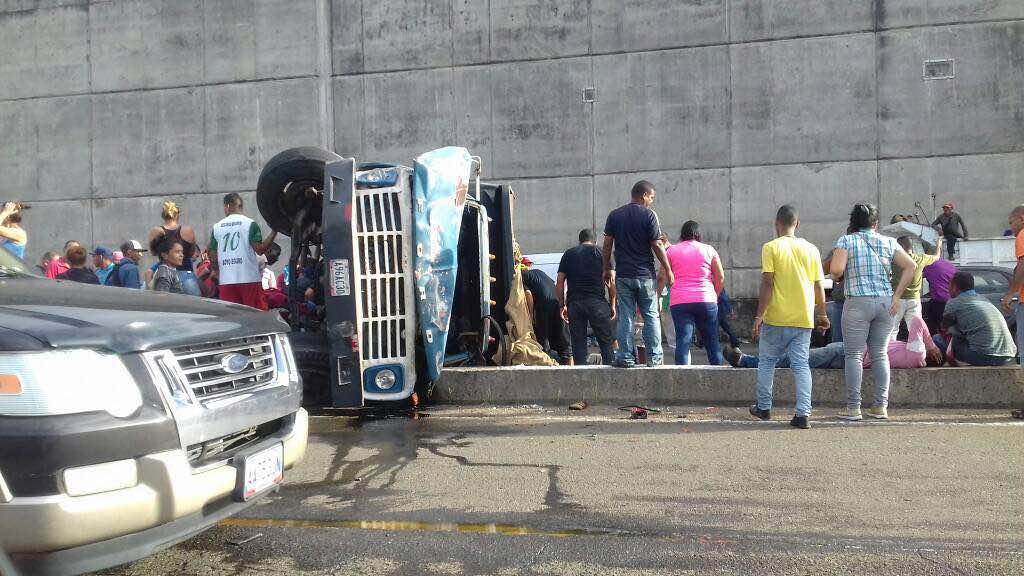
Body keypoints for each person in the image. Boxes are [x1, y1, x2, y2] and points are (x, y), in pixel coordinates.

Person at [830, 203, 917, 421]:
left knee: (854, 355)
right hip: (886, 303)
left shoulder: (846, 241)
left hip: (858, 303)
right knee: (879, 354)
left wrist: (837, 275)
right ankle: (880, 406)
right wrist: (896, 296)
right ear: (875, 224)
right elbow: (910, 266)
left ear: (853, 222)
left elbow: (836, 270)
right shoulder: (889, 241)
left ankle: (853, 408)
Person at [748, 205, 828, 430]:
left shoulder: (771, 247)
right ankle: (803, 414)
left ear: (777, 224)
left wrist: (759, 316)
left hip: (775, 318)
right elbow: (818, 285)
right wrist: (822, 314)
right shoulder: (811, 249)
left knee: (767, 362)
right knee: (801, 365)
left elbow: (767, 283)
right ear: (798, 224)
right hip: (803, 318)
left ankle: (764, 408)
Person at [602, 180, 672, 368]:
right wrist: (668, 268)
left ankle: (625, 357)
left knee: (626, 315)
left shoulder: (614, 215)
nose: (651, 201)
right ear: (643, 196)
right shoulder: (649, 215)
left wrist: (606, 268)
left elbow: (607, 244)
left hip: (624, 275)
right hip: (645, 275)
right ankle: (654, 359)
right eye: (651, 197)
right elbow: (657, 244)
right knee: (650, 316)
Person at [728, 316, 944, 369]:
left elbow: (916, 321)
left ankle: (747, 362)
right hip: (853, 351)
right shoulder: (912, 354)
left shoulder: (918, 355)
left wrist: (932, 346)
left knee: (800, 358)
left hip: (850, 354)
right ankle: (750, 360)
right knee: (801, 357)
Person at [662, 221, 724, 365]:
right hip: (706, 299)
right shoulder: (709, 250)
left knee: (683, 342)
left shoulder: (671, 251)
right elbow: (720, 277)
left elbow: (662, 277)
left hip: (680, 301)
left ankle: (682, 381)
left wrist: (658, 295)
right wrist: (715, 294)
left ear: (682, 234)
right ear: (698, 234)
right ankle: (719, 378)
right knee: (712, 343)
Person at [556, 229, 615, 365]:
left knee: (578, 344)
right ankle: (610, 376)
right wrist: (612, 304)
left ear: (579, 241)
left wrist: (561, 305)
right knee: (606, 342)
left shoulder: (569, 254)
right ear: (595, 241)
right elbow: (611, 281)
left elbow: (560, 280)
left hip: (575, 304)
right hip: (597, 303)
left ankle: (581, 377)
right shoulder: (602, 253)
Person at [210, 193, 277, 310]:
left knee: (232, 319)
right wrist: (274, 231)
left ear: (227, 206)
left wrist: (217, 272)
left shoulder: (217, 227)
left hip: (226, 281)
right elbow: (260, 250)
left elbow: (213, 256)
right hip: (249, 279)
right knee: (255, 315)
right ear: (241, 206)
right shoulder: (250, 224)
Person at [939, 272, 1017, 366]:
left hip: (985, 356)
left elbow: (944, 328)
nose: (948, 288)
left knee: (937, 339)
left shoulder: (954, 303)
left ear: (955, 287)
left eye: (949, 285)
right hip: (1008, 355)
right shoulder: (983, 299)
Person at [889, 236, 940, 340]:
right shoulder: (921, 259)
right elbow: (937, 257)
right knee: (916, 332)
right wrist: (939, 246)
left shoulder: (894, 261)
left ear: (901, 247)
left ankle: (891, 354)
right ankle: (918, 354)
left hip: (897, 300)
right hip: (915, 300)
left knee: (892, 331)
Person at [523, 264, 572, 365]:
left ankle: (547, 364)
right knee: (563, 338)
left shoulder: (522, 277)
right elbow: (553, 284)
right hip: (557, 300)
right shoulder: (539, 272)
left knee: (543, 337)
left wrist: (531, 316)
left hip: (544, 303)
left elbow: (528, 294)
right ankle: (570, 367)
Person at [149, 201, 200, 296]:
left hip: (165, 274)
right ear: (177, 215)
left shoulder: (156, 231)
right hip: (186, 275)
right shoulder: (188, 230)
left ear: (163, 216)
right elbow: (191, 252)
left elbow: (153, 252)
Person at [1002, 205, 1024, 366]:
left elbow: (1023, 263)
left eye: (1011, 222)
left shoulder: (1022, 235)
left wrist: (1010, 294)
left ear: (1021, 219)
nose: (1011, 227)